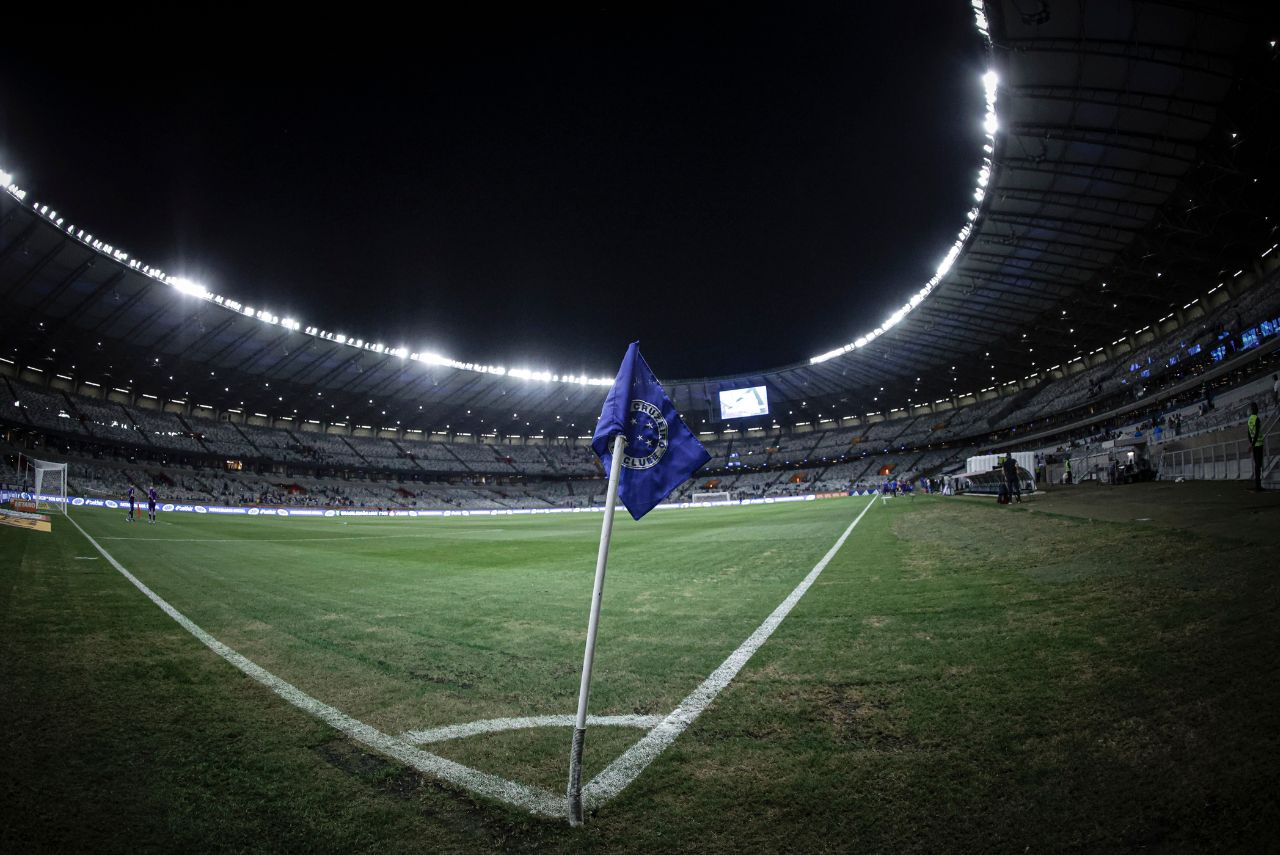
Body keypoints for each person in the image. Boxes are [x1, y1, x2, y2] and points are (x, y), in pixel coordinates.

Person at [1248, 402, 1265, 491]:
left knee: (1257, 465)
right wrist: (1253, 444)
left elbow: (1249, 433)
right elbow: (1257, 433)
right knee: (1258, 465)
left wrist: (1251, 444)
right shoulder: (1256, 419)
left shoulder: (1250, 419)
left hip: (1254, 445)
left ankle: (1257, 484)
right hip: (1258, 444)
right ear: (1256, 409)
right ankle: (1258, 486)